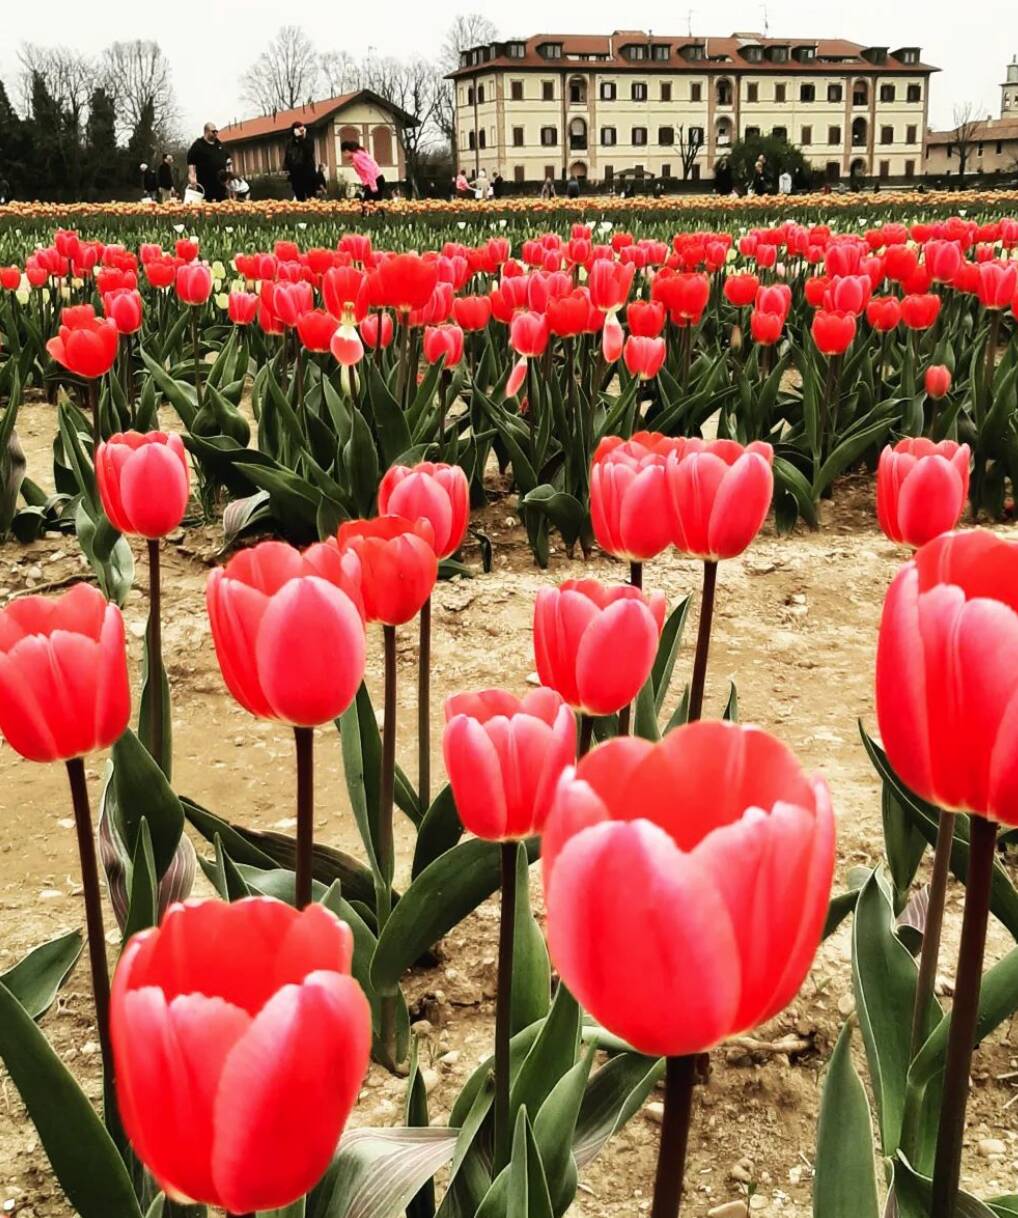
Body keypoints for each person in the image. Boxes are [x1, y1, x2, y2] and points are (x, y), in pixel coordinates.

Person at [187, 122, 229, 202]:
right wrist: (192, 177)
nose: (216, 133)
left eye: (217, 131)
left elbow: (227, 158)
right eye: (213, 131)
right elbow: (191, 163)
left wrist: (228, 175)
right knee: (207, 206)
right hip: (205, 183)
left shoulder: (219, 144)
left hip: (220, 184)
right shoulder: (198, 145)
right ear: (206, 132)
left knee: (222, 205)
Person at [283, 121, 318, 201]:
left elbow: (309, 152)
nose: (302, 132)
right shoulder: (290, 143)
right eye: (300, 131)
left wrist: (301, 139)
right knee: (299, 195)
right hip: (296, 174)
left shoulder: (308, 139)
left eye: (303, 130)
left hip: (308, 172)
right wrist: (286, 168)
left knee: (311, 196)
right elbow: (288, 156)